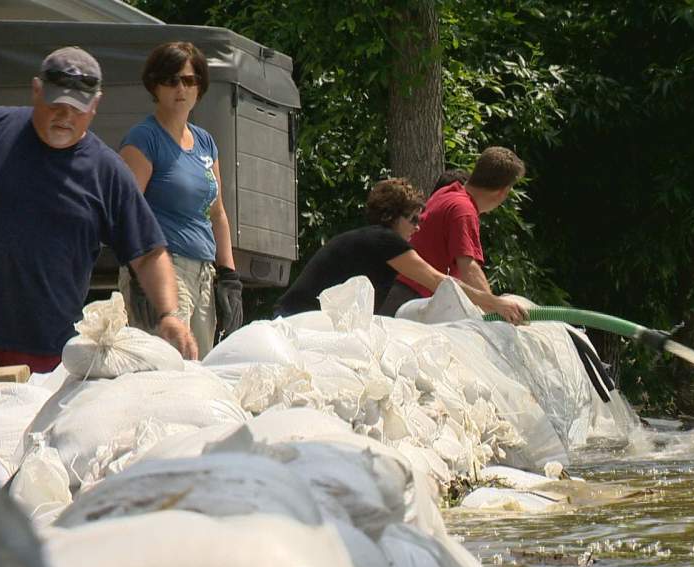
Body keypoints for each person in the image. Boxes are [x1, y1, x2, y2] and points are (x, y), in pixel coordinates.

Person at [0, 47, 196, 374]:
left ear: (95, 105)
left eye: (76, 108)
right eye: (55, 104)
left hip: (46, 351)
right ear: (36, 90)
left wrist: (170, 315)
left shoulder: (107, 172)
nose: (64, 117)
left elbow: (148, 253)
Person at [118, 41, 240, 356]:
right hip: (164, 268)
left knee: (201, 368)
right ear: (154, 85)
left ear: (200, 86)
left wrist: (229, 277)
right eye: (171, 80)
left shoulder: (205, 142)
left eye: (189, 80)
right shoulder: (144, 139)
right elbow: (126, 213)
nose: (180, 88)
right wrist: (139, 276)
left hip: (204, 274)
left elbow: (217, 214)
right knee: (169, 368)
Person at [273, 178, 528, 323]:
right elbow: (438, 281)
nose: (417, 228)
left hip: (294, 318)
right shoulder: (385, 241)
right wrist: (494, 302)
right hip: (299, 321)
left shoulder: (371, 239)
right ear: (389, 216)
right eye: (413, 219)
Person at [380, 147, 526, 316]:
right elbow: (468, 269)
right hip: (408, 299)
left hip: (396, 290)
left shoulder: (448, 192)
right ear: (503, 192)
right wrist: (495, 309)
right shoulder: (463, 210)